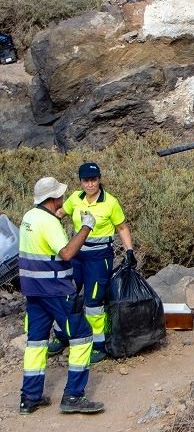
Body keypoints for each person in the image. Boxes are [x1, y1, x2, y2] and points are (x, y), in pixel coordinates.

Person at [19, 177, 105, 414]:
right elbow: (67, 253)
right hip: (56, 290)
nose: (63, 197)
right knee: (82, 336)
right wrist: (86, 227)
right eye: (60, 194)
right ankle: (74, 396)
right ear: (53, 198)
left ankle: (29, 398)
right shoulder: (49, 223)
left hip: (33, 291)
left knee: (36, 343)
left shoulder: (28, 217)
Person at [48, 162, 135, 363]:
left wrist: (129, 251)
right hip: (76, 255)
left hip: (99, 257)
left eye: (93, 180)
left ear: (99, 180)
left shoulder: (110, 202)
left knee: (94, 301)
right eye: (86, 180)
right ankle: (61, 336)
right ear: (80, 182)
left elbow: (121, 227)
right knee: (66, 293)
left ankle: (99, 345)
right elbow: (60, 213)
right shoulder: (75, 199)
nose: (90, 184)